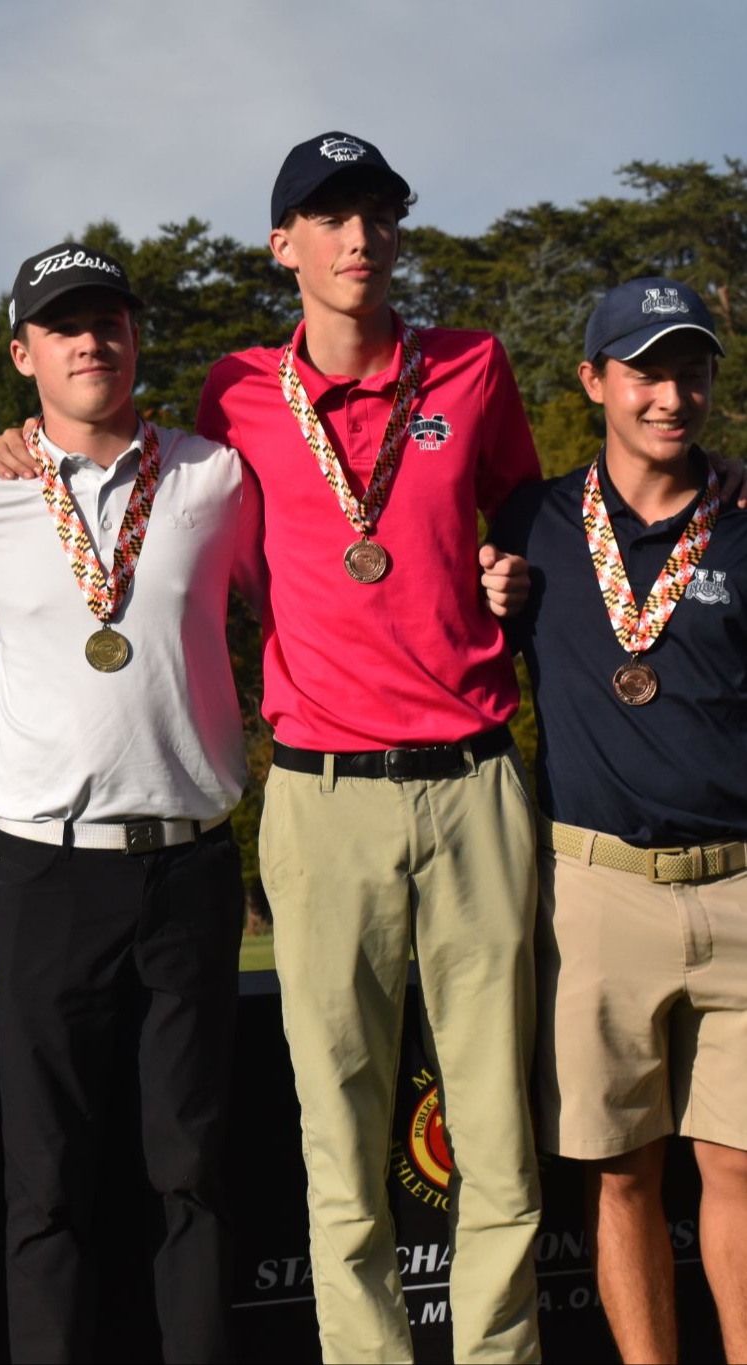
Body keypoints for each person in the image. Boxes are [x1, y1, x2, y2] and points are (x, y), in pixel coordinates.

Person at [194, 133, 544, 1363]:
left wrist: (518, 572)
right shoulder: (233, 393)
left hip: (476, 785)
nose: (358, 239)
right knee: (338, 1133)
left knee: (497, 1125)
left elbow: (533, 518)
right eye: (328, 217)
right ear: (282, 244)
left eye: (377, 215)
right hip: (322, 797)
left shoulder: (473, 368)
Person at [0, 243, 265, 1363]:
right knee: (48, 1178)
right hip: (48, 865)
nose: (90, 340)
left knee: (192, 1172)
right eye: (63, 325)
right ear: (21, 355)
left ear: (134, 339)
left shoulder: (216, 475)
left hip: (192, 863)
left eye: (108, 319)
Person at [490, 278, 747, 1364]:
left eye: (689, 370)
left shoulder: (743, 515)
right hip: (595, 889)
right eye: (643, 369)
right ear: (594, 381)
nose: (669, 395)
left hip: (740, 886)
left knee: (739, 1168)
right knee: (622, 1170)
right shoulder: (532, 523)